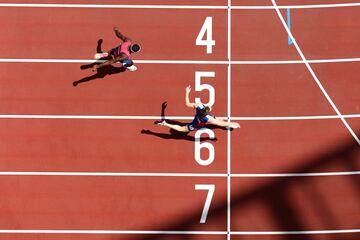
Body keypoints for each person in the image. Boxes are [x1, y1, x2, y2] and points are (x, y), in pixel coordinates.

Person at [156, 85, 240, 132]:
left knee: (216, 119)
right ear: (207, 113)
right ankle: (165, 124)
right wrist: (233, 123)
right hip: (196, 124)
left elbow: (187, 104)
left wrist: (187, 92)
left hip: (197, 119)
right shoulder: (209, 119)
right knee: (182, 129)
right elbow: (221, 124)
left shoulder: (199, 105)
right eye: (209, 108)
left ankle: (165, 123)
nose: (210, 107)